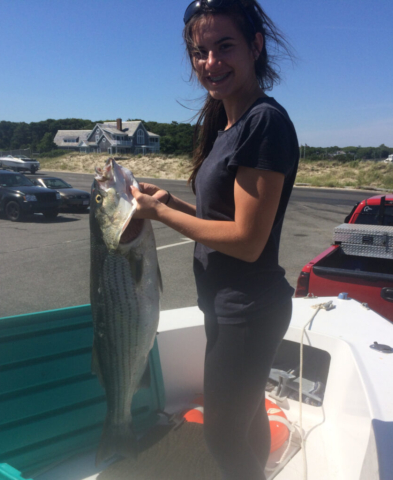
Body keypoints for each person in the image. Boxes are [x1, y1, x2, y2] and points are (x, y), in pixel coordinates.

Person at [130, 1, 299, 478]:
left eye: (224, 46)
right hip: (231, 304)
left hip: (246, 308)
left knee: (222, 439)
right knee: (245, 424)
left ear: (256, 45)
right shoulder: (228, 123)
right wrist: (170, 206)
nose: (210, 62)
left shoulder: (263, 122)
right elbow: (222, 220)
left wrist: (159, 212)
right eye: (200, 52)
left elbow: (247, 241)